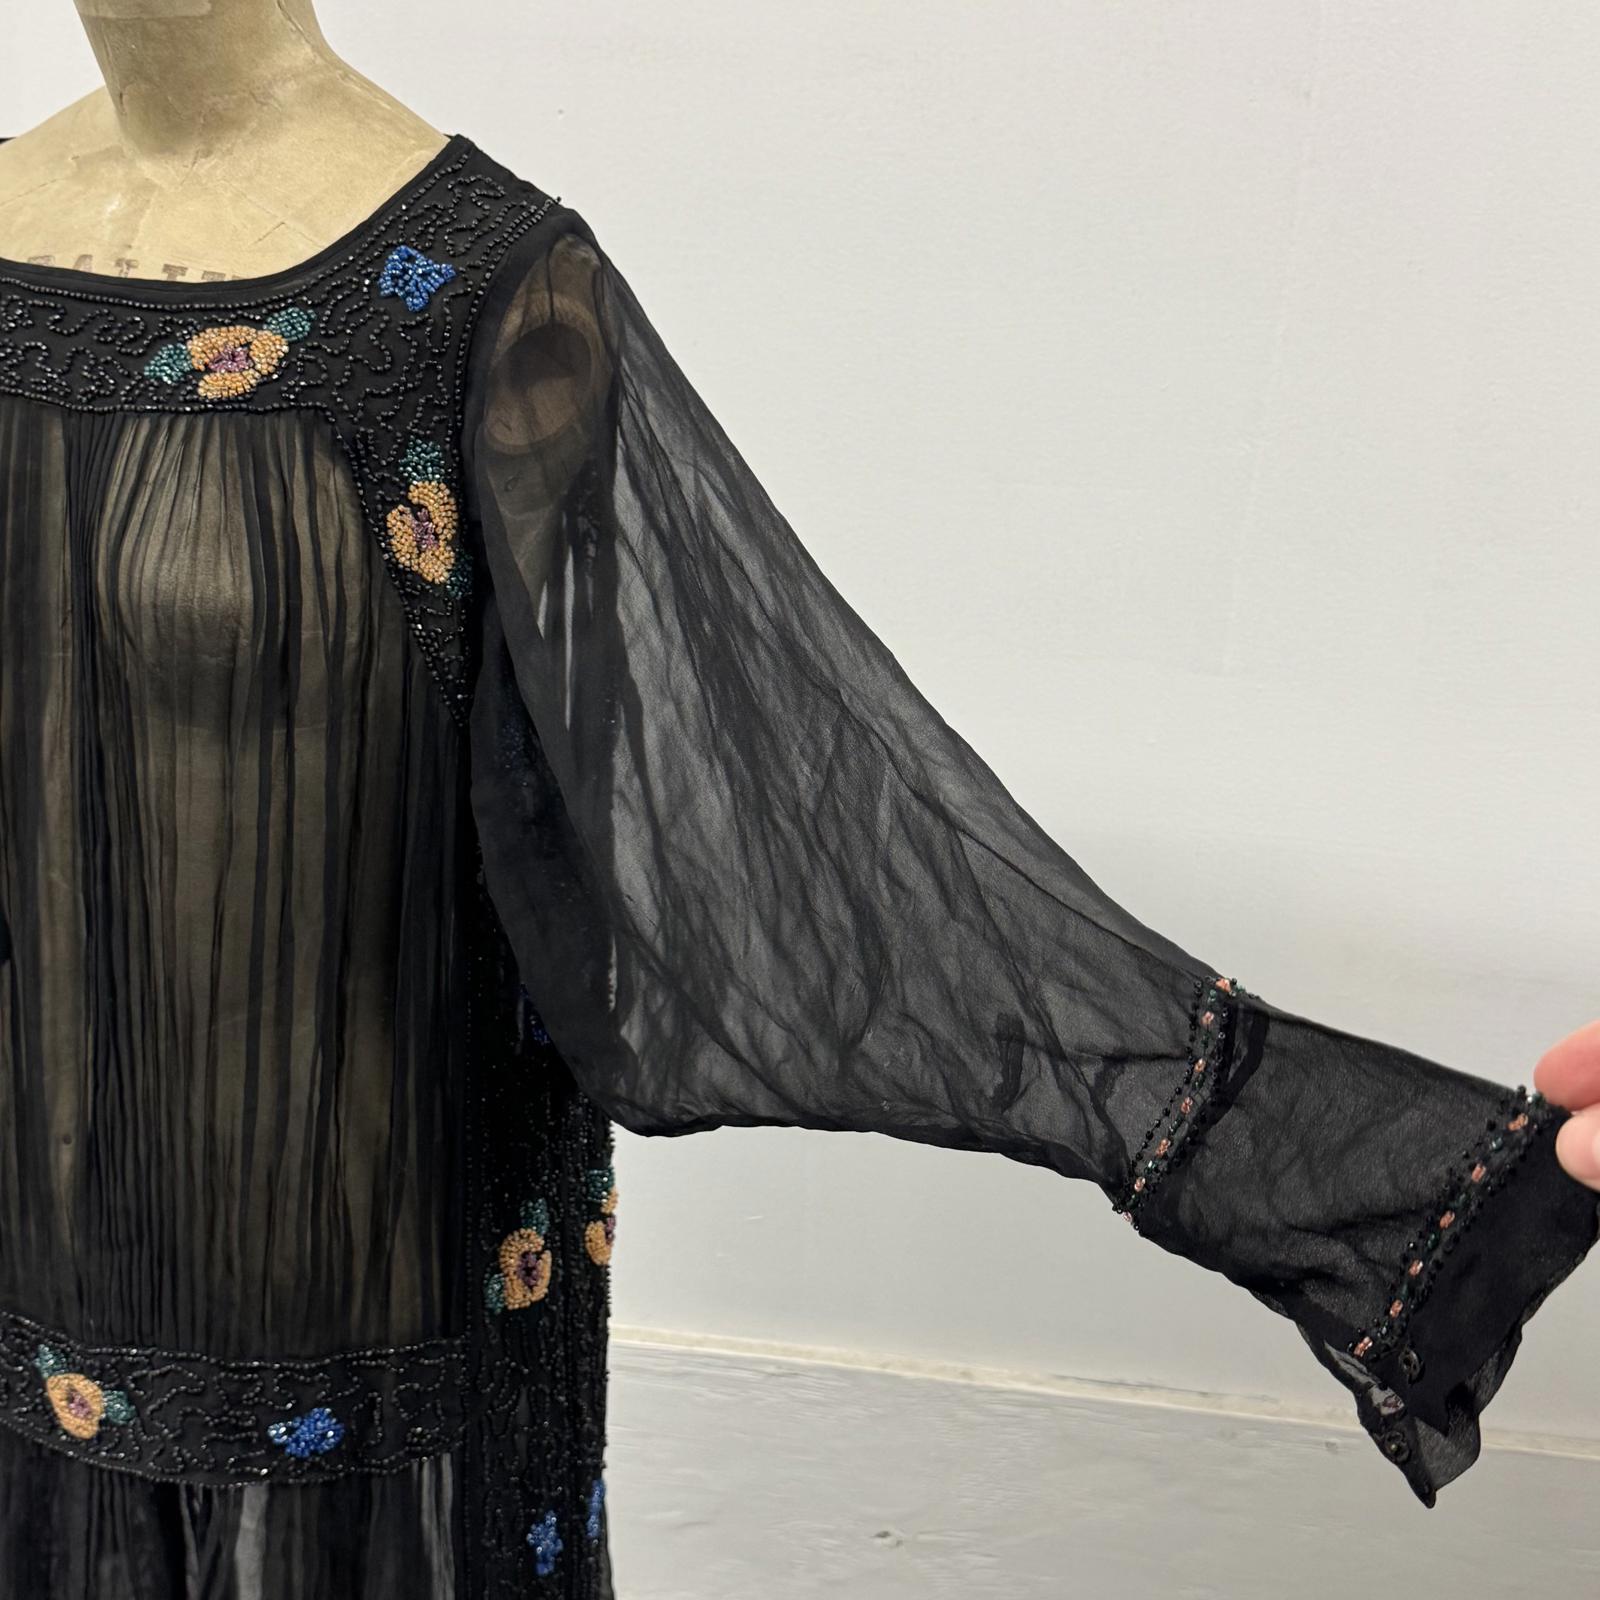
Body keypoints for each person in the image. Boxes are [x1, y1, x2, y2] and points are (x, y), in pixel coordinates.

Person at [0, 3, 1596, 1595]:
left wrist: (1380, 1182)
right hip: (29, 1241)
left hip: (349, 1286)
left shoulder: (478, 298)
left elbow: (799, 818)